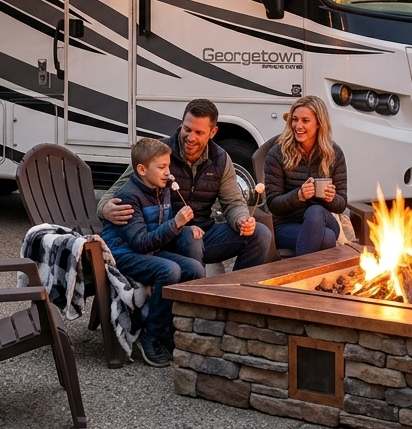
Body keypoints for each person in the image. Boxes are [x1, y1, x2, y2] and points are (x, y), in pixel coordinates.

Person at [99, 99, 272, 274]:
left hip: (206, 233)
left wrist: (241, 220)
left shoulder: (221, 158)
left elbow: (233, 202)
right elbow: (116, 190)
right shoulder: (158, 153)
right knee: (190, 236)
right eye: (187, 129)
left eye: (199, 132)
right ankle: (193, 297)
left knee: (260, 233)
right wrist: (104, 209)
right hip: (167, 235)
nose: (191, 138)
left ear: (213, 132)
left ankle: (236, 293)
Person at [100, 137, 205, 367]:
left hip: (149, 250)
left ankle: (171, 327)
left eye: (168, 166)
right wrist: (175, 224)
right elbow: (139, 242)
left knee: (195, 269)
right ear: (141, 169)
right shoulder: (129, 197)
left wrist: (184, 227)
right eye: (162, 167)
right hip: (123, 253)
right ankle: (151, 335)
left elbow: (158, 231)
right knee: (169, 270)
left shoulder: (162, 188)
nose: (168, 172)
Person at [263, 95, 347, 255]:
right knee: (327, 238)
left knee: (315, 211)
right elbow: (273, 204)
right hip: (285, 224)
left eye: (305, 120)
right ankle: (310, 274)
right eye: (295, 119)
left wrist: (331, 198)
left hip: (324, 220)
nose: (298, 125)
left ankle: (299, 275)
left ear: (319, 124)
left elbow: (342, 203)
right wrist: (299, 196)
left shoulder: (334, 154)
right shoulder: (277, 154)